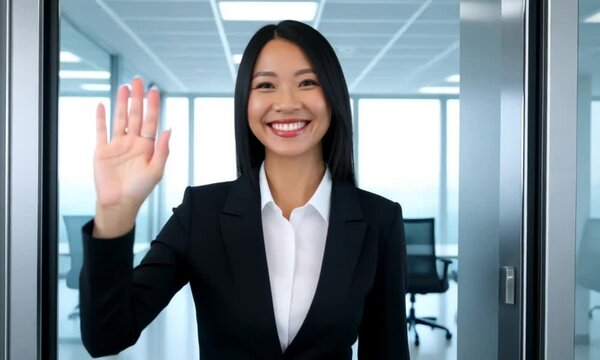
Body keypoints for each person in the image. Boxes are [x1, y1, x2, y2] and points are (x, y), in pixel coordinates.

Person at [80, 20, 409, 359]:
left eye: (307, 82)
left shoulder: (379, 219)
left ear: (333, 95)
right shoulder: (201, 212)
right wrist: (114, 214)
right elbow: (106, 335)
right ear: (245, 102)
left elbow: (388, 351)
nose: (286, 102)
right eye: (266, 85)